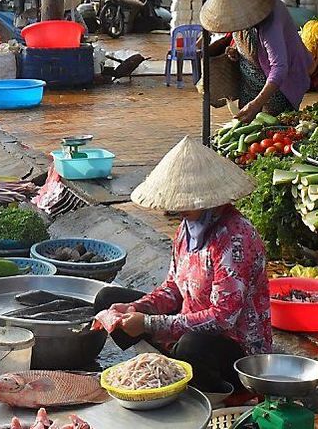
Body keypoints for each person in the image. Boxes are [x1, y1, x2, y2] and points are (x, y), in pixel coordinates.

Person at [91, 137, 271, 393]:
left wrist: (149, 323)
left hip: (235, 349)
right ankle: (165, 367)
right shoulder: (187, 228)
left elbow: (223, 319)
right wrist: (136, 308)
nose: (177, 209)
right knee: (108, 298)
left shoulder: (235, 238)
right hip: (188, 322)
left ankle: (211, 388)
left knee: (190, 347)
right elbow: (174, 287)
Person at [200, 0, 313, 121]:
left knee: (272, 129)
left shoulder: (271, 20)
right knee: (246, 125)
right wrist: (235, 51)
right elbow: (247, 43)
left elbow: (279, 67)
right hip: (249, 81)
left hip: (278, 86)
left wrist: (256, 103)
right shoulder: (241, 17)